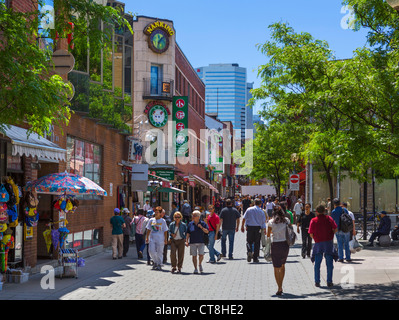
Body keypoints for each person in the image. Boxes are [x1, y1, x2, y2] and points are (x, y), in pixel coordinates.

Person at [308, 205, 338, 287]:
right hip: (328, 243)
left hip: (318, 243)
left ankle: (317, 281)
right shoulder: (329, 219)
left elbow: (311, 233)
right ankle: (329, 281)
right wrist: (331, 234)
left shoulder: (313, 220)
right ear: (324, 211)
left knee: (317, 263)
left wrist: (315, 238)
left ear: (316, 212)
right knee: (329, 264)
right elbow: (335, 228)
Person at [267, 205, 290, 296]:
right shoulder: (286, 221)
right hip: (285, 244)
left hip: (275, 244)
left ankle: (279, 287)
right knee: (283, 265)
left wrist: (274, 232)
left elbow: (268, 235)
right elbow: (289, 230)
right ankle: (281, 285)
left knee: (276, 267)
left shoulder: (271, 222)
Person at [241, 198, 267, 263]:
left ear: (254, 203)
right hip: (257, 228)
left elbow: (244, 218)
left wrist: (242, 226)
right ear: (260, 204)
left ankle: (249, 251)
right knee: (257, 243)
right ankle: (255, 258)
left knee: (249, 241)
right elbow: (263, 222)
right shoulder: (261, 211)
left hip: (250, 228)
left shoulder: (249, 209)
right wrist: (264, 229)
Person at [145, 206, 168, 270]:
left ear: (160, 213)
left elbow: (165, 230)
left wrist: (165, 239)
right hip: (152, 238)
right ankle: (155, 261)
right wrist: (147, 237)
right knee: (151, 251)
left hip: (160, 238)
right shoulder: (151, 220)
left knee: (159, 252)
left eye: (158, 212)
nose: (156, 213)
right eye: (155, 212)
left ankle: (159, 263)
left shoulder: (163, 221)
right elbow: (148, 229)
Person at [331, 198, 352, 262]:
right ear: (339, 203)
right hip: (346, 228)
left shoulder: (333, 211)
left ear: (334, 204)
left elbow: (333, 221)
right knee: (346, 243)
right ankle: (348, 257)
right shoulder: (345, 209)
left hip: (338, 229)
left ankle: (341, 257)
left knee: (339, 244)